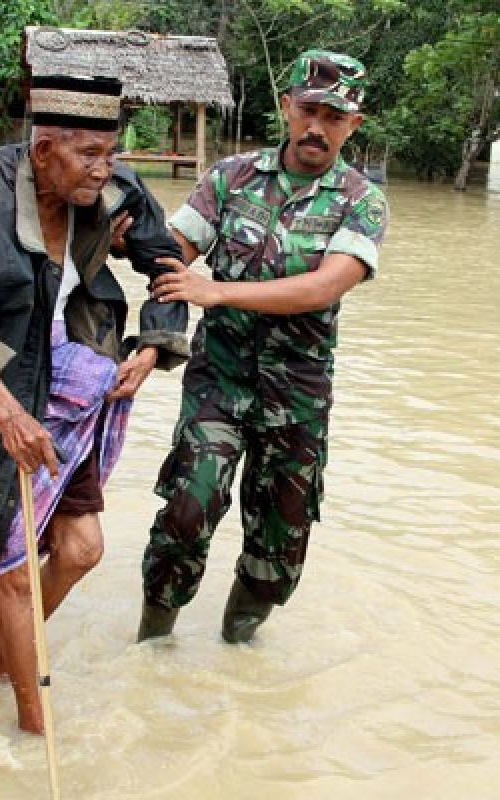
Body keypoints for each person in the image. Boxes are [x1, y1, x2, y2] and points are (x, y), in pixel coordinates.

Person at [0, 75, 189, 734]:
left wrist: (152, 346)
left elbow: (168, 266)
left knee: (82, 550)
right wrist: (4, 410)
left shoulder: (113, 188)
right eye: (87, 154)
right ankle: (35, 727)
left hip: (77, 387)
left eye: (110, 152)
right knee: (12, 567)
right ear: (41, 152)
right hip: (0, 392)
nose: (103, 168)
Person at [137, 50, 389, 644]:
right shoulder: (230, 179)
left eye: (334, 116)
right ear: (285, 107)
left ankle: (238, 653)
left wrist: (217, 292)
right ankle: (150, 654)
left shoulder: (362, 201)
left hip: (296, 397)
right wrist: (131, 242)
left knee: (279, 549)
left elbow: (325, 286)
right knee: (187, 510)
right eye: (308, 110)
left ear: (354, 124)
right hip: (217, 384)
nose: (316, 127)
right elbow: (171, 256)